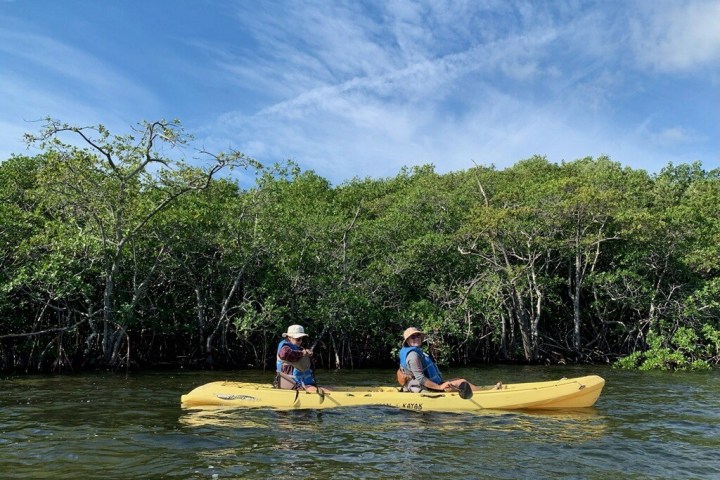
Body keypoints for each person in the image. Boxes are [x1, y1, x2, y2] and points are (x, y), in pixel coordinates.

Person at [398, 327, 495, 393]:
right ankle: (488, 395)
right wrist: (440, 387)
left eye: (418, 336)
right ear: (407, 341)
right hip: (426, 389)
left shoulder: (416, 352)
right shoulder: (413, 356)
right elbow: (421, 379)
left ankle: (485, 391)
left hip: (429, 386)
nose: (416, 338)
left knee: (458, 380)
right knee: (461, 382)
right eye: (413, 337)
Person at [275, 324, 321, 392]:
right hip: (291, 384)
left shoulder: (298, 348)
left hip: (303, 383)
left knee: (328, 388)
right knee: (318, 390)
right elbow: (284, 354)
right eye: (298, 339)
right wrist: (302, 353)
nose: (301, 341)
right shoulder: (285, 348)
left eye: (302, 339)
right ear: (289, 337)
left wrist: (309, 355)